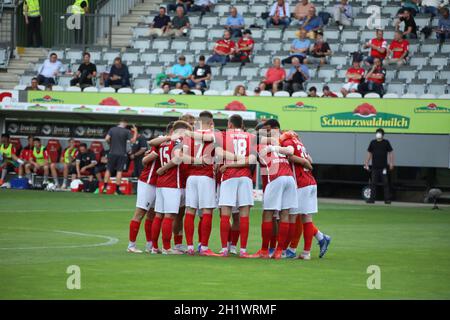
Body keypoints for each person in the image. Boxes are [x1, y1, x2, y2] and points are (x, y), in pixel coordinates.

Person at [280, 130, 331, 259]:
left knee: (292, 217)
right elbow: (310, 159)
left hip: (301, 183)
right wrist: (305, 161)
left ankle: (286, 250)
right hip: (311, 181)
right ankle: (306, 252)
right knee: (306, 218)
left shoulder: (287, 142)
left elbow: (291, 155)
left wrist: (302, 162)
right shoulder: (300, 143)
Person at [251, 119, 298, 259]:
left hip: (275, 177)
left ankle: (264, 251)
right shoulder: (279, 143)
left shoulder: (258, 147)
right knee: (284, 214)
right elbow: (290, 150)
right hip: (290, 178)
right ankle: (279, 251)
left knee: (268, 214)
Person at [217, 114, 257, 258]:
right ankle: (243, 250)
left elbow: (218, 152)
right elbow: (252, 159)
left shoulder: (224, 134)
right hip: (245, 177)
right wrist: (241, 159)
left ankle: (224, 249)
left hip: (229, 176)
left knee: (225, 213)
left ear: (230, 124)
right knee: (244, 214)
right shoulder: (250, 136)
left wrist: (231, 162)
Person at [182, 111, 221, 256]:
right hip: (206, 176)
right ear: (211, 122)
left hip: (191, 177)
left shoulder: (189, 135)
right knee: (206, 211)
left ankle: (190, 246)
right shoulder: (214, 134)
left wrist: (195, 160)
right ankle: (204, 247)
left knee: (190, 210)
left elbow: (184, 158)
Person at [151, 121, 192, 255]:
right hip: (172, 183)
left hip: (161, 183)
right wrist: (163, 169)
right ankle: (167, 248)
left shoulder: (162, 142)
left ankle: (154, 247)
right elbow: (178, 158)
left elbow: (151, 143)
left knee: (159, 215)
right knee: (169, 216)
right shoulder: (179, 141)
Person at [127, 147, 160, 253]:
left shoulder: (175, 145)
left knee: (152, 214)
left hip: (159, 184)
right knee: (140, 213)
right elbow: (144, 161)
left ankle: (149, 245)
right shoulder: (160, 143)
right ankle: (131, 245)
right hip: (148, 182)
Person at [103, 119, 138, 195]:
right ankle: (117, 190)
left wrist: (110, 144)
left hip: (112, 153)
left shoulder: (112, 129)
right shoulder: (126, 131)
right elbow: (133, 141)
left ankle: (105, 188)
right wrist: (135, 131)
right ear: (125, 123)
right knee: (119, 171)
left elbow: (106, 139)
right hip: (122, 154)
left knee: (108, 169)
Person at [364, 128, 394, 204]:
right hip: (374, 167)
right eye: (377, 132)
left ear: (383, 135)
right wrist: (366, 163)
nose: (378, 134)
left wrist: (391, 163)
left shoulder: (386, 142)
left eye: (379, 133)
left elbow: (390, 153)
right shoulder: (373, 142)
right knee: (373, 183)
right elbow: (369, 153)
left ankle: (387, 199)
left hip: (383, 167)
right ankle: (371, 199)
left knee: (386, 183)